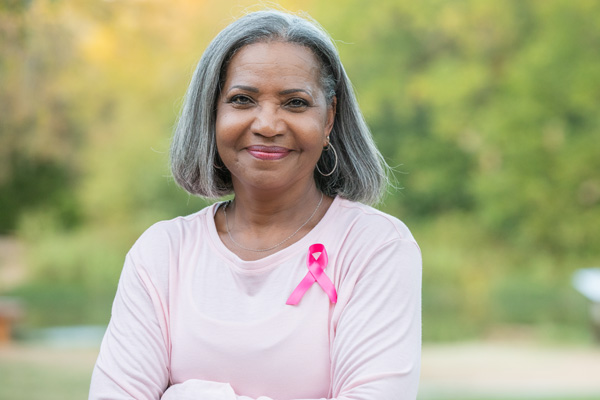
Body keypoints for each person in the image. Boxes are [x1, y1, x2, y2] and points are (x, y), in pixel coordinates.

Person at [89, 8, 421, 400]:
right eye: (243, 99)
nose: (267, 124)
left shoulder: (375, 247)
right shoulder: (162, 254)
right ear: (212, 113)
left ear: (329, 118)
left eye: (295, 103)